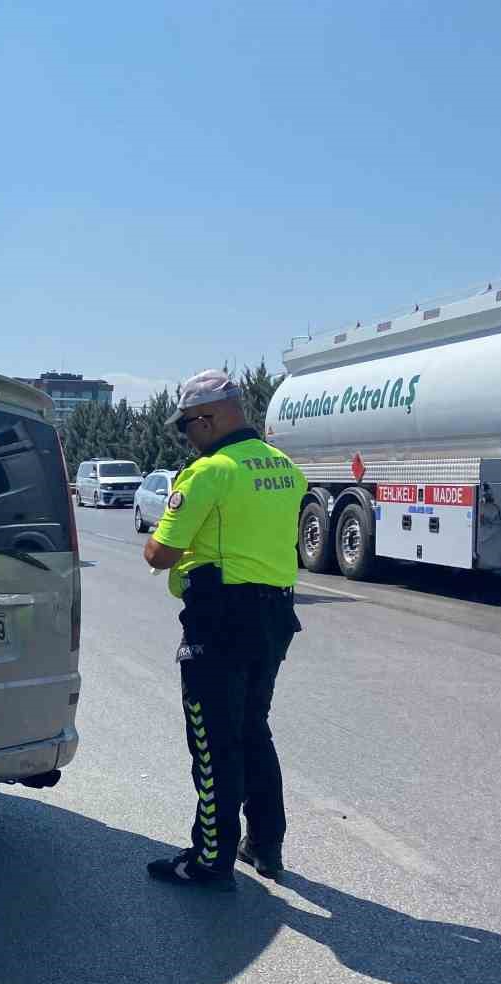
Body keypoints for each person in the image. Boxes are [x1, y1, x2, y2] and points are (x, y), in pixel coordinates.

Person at [142, 369, 306, 890]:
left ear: (207, 418)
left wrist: (172, 547)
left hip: (220, 618)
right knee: (253, 727)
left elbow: (159, 553)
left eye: (185, 426)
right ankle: (265, 842)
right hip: (274, 615)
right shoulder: (284, 468)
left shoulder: (209, 473)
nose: (185, 436)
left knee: (213, 740)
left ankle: (210, 859)